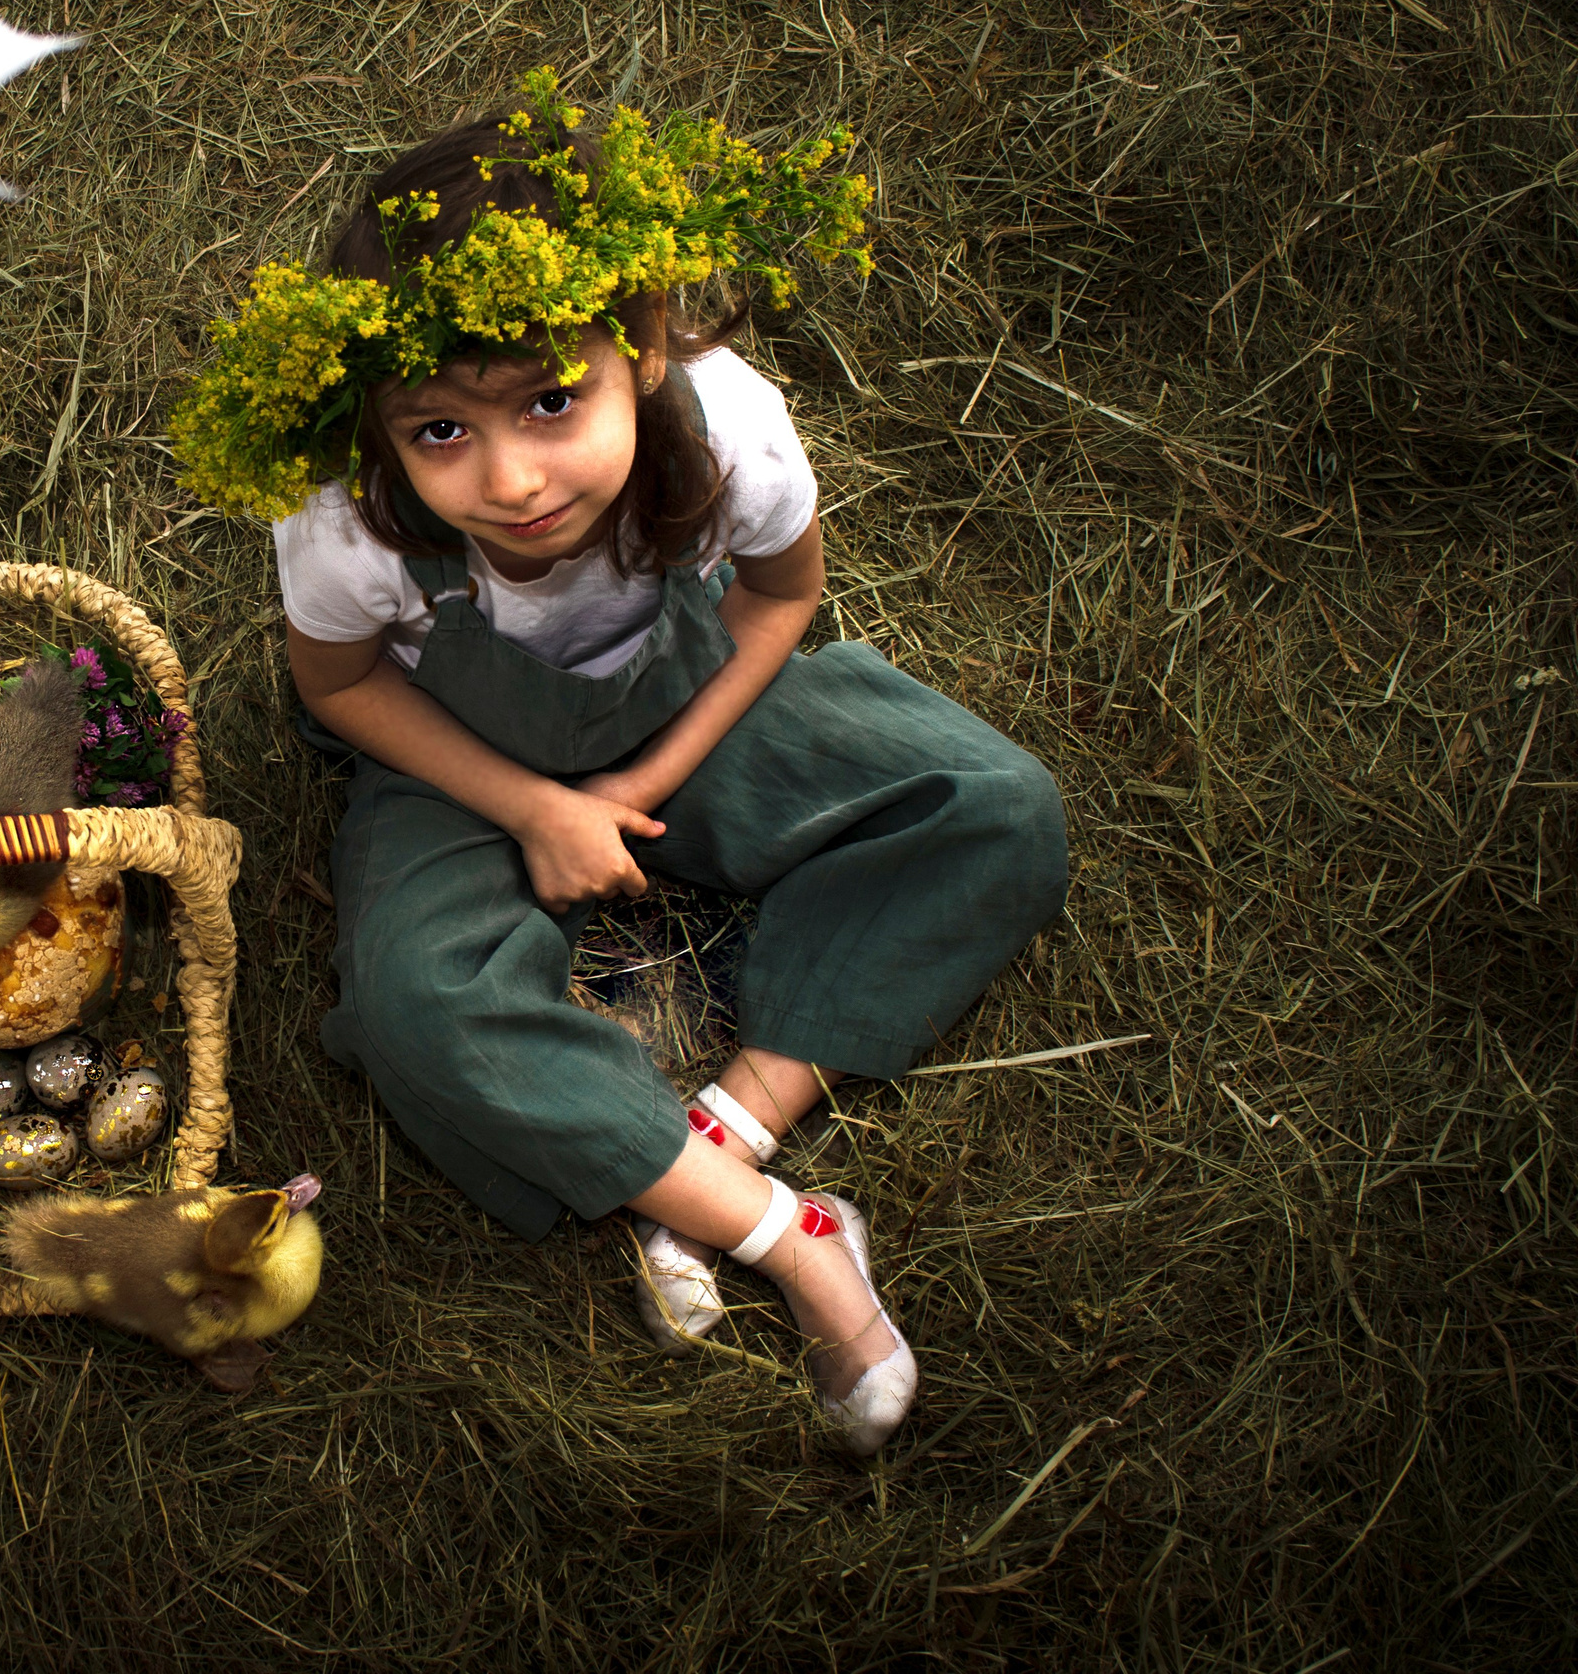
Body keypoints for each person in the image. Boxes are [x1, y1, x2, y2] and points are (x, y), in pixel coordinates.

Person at [169, 74, 1067, 1456]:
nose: (515, 482)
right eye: (443, 433)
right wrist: (531, 807)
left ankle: (727, 1126)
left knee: (993, 810)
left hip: (687, 713)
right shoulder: (349, 517)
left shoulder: (729, 428)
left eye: (550, 402)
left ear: (640, 342)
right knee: (414, 1005)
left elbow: (778, 602)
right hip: (457, 767)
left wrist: (649, 785)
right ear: (382, 426)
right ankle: (796, 1241)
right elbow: (337, 684)